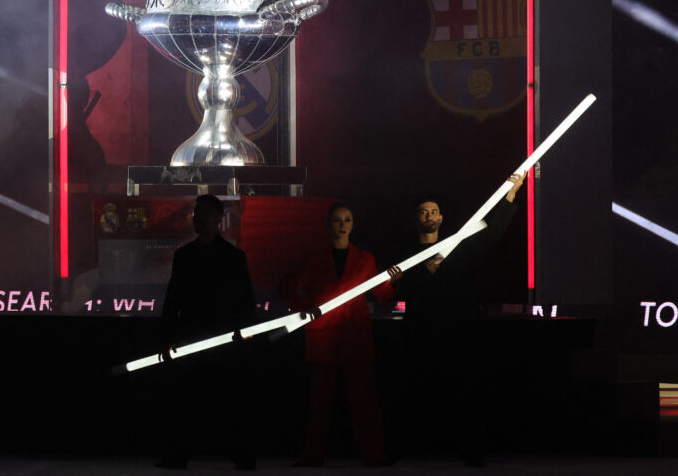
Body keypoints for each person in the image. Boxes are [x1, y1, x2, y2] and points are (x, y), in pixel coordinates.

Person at [389, 174, 525, 467]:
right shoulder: (405, 256)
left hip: (459, 333)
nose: (430, 216)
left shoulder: (458, 245)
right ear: (416, 218)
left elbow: (493, 232)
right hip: (421, 335)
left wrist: (511, 194)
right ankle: (404, 448)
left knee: (465, 393)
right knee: (414, 394)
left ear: (442, 217)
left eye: (435, 211)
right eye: (425, 212)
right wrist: (395, 281)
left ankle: (471, 450)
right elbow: (390, 292)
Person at [279, 202, 396, 467]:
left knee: (364, 401)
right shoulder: (315, 258)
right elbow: (287, 286)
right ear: (328, 224)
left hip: (354, 337)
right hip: (326, 336)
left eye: (346, 220)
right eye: (337, 220)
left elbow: (384, 296)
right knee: (320, 402)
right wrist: (304, 308)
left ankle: (374, 455)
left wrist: (390, 281)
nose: (342, 225)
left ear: (352, 224)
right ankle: (313, 455)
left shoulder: (366, 260)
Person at [157, 194, 257, 470]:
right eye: (196, 214)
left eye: (203, 214)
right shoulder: (185, 256)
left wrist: (245, 331)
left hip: (222, 340)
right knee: (187, 400)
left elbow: (245, 299)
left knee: (228, 400)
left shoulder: (233, 258)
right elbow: (172, 299)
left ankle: (241, 455)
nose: (197, 219)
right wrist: (167, 339)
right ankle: (178, 455)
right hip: (192, 338)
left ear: (217, 219)